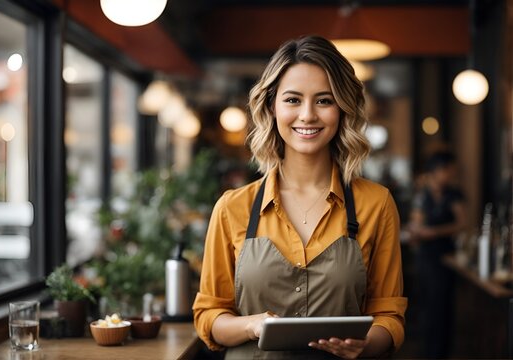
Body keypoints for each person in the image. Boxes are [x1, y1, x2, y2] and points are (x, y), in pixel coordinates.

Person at [193, 35, 407, 359]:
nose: (307, 115)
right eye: (293, 100)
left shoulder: (376, 205)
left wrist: (365, 346)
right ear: (271, 106)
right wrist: (252, 325)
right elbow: (209, 316)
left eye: (324, 100)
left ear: (342, 108)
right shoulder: (232, 208)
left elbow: (389, 315)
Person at [409, 151, 466, 359]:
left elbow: (461, 224)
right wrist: (418, 232)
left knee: (443, 307)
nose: (451, 174)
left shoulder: (453, 194)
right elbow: (416, 224)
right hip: (425, 257)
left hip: (446, 258)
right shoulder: (422, 194)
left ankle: (441, 352)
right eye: (448, 170)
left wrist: (434, 232)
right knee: (427, 306)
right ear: (437, 170)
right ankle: (428, 351)